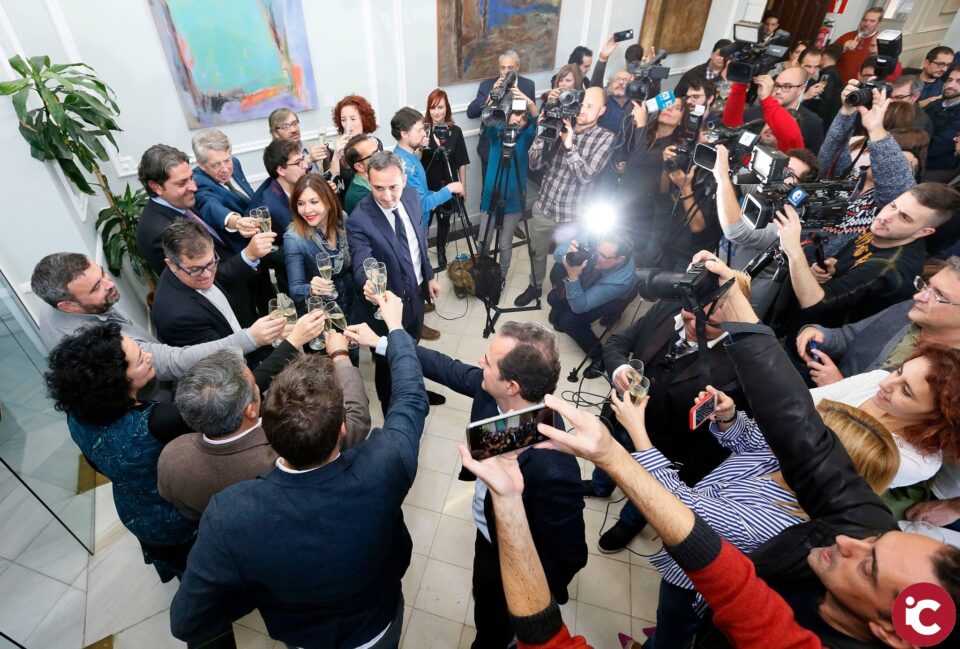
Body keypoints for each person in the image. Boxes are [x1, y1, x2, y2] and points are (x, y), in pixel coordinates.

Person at [557, 251, 960, 649]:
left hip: (689, 572)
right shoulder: (813, 487)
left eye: (870, 564)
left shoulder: (766, 521)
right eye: (874, 539)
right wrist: (731, 419)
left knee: (675, 620)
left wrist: (624, 444)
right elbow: (771, 433)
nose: (843, 540)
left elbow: (681, 509)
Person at [169, 292, 430, 649]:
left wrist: (262, 587)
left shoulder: (230, 514)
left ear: (268, 430)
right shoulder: (385, 464)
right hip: (379, 627)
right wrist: (396, 330)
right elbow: (411, 398)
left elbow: (187, 623)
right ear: (341, 429)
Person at [347, 319, 586, 649]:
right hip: (487, 527)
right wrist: (383, 342)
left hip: (509, 556)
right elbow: (448, 367)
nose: (479, 364)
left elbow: (570, 555)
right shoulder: (498, 393)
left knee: (492, 622)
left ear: (512, 386)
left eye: (487, 362)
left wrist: (533, 589)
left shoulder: (555, 466)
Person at [612, 387, 897, 649]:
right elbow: (750, 438)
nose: (785, 429)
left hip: (691, 584)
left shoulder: (774, 520)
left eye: (800, 432)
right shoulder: (785, 459)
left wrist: (637, 430)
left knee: (673, 624)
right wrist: (728, 417)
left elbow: (678, 503)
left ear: (822, 466)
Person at [44, 314, 321, 577]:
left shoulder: (78, 412)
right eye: (141, 359)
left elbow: (95, 462)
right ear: (117, 382)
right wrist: (292, 343)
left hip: (133, 507)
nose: (150, 356)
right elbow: (235, 395)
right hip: (175, 519)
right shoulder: (160, 421)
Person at [585, 276, 752, 552]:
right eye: (690, 315)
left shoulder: (740, 367)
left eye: (707, 324)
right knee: (608, 455)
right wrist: (617, 370)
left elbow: (718, 438)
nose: (692, 327)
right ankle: (600, 486)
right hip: (621, 419)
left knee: (646, 490)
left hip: (665, 448)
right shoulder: (666, 308)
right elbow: (617, 341)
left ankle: (630, 522)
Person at [158, 332, 370, 519]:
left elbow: (189, 512)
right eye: (257, 388)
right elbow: (355, 423)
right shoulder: (285, 450)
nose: (261, 389)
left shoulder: (171, 456)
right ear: (251, 410)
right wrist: (341, 357)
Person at [32, 252, 283, 398]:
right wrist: (250, 338)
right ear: (68, 306)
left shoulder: (63, 302)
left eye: (102, 274)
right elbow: (171, 361)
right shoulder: (91, 343)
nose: (109, 284)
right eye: (96, 287)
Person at [776, 182, 960, 331]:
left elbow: (815, 302)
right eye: (893, 205)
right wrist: (830, 268)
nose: (886, 217)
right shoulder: (885, 229)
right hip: (803, 324)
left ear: (924, 232)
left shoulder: (890, 266)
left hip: (819, 347)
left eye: (904, 217)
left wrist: (794, 249)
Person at [345, 151, 442, 411]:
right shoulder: (359, 220)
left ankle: (415, 389)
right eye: (378, 188)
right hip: (386, 309)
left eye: (393, 187)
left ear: (404, 180)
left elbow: (419, 241)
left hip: (417, 297)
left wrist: (429, 276)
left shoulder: (411, 196)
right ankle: (391, 407)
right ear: (368, 180)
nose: (387, 197)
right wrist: (368, 283)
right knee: (388, 360)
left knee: (412, 349)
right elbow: (362, 263)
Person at [807, 344, 960, 493]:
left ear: (935, 416)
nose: (884, 383)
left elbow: (824, 457)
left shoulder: (921, 462)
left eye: (905, 391)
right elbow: (801, 401)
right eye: (899, 372)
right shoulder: (877, 379)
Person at [515, 86, 614, 307]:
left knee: (566, 260)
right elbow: (534, 163)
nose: (583, 110)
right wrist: (543, 132)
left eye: (591, 106)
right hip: (545, 207)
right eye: (582, 104)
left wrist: (570, 146)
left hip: (573, 217)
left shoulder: (605, 138)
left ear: (602, 111)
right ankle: (535, 285)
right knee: (536, 254)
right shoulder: (558, 125)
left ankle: (562, 292)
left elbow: (585, 175)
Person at [796, 259, 960, 385]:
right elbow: (850, 336)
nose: (918, 296)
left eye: (939, 295)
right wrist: (821, 334)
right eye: (926, 286)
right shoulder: (911, 310)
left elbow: (901, 427)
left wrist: (841, 387)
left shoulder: (953, 374)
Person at [135, 144, 275, 279]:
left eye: (191, 178)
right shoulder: (157, 233)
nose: (193, 187)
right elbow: (205, 280)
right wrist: (248, 255)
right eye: (182, 183)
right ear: (155, 187)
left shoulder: (181, 200)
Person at [712, 144, 819, 318]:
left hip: (740, 305)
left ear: (801, 189)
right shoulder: (766, 190)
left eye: (789, 174)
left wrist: (722, 177)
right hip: (714, 281)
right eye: (780, 170)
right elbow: (738, 177)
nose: (780, 176)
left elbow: (736, 231)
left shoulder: (791, 221)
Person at [815, 83, 921, 256]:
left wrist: (877, 129)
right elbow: (830, 154)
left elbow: (897, 184)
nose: (896, 165)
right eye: (897, 158)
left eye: (905, 166)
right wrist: (847, 111)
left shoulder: (888, 208)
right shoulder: (852, 176)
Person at [152, 220, 272, 354]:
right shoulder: (178, 318)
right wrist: (254, 338)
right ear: (171, 264)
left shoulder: (184, 269)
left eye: (211, 263)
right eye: (196, 269)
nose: (208, 275)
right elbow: (222, 358)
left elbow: (222, 276)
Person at [547, 233, 636, 367]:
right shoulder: (596, 237)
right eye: (596, 250)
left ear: (619, 259)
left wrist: (573, 276)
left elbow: (580, 307)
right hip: (589, 278)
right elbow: (557, 254)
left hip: (612, 297)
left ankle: (599, 355)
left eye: (603, 256)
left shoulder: (620, 280)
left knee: (569, 321)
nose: (595, 256)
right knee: (553, 297)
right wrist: (569, 252)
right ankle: (560, 309)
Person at [613, 99, 686, 263]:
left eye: (677, 108)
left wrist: (641, 125)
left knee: (630, 259)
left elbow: (638, 162)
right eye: (668, 104)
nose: (669, 109)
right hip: (622, 203)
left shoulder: (673, 148)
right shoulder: (646, 134)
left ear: (682, 119)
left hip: (646, 215)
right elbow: (628, 158)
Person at [283, 174, 355, 321]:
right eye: (300, 203)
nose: (307, 210)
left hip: (352, 304)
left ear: (329, 201)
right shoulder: (294, 238)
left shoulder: (343, 219)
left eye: (314, 202)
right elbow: (295, 291)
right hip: (321, 317)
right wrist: (311, 288)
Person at [478, 108, 537, 281]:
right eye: (516, 114)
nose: (519, 120)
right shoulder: (497, 132)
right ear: (509, 114)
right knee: (483, 241)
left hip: (514, 201)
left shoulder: (526, 137)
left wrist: (531, 103)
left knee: (504, 244)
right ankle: (482, 271)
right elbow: (488, 122)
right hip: (490, 199)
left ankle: (501, 277)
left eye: (523, 118)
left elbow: (536, 122)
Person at [390, 106, 464, 232]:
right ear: (404, 134)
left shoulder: (410, 154)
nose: (424, 133)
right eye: (419, 130)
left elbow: (419, 193)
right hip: (416, 227)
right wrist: (450, 189)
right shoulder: (405, 166)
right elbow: (423, 204)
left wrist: (435, 195)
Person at [466, 50, 537, 181]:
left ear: (517, 68)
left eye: (510, 68)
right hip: (491, 147)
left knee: (512, 190)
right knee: (489, 190)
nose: (505, 72)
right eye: (502, 68)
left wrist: (525, 100)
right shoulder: (487, 85)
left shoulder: (528, 85)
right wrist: (489, 96)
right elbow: (471, 113)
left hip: (517, 147)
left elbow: (532, 120)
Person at [422, 88, 471, 269]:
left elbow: (462, 162)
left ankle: (441, 250)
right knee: (424, 222)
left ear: (446, 108)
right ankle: (421, 252)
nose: (437, 112)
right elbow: (415, 161)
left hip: (449, 185)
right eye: (433, 107)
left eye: (440, 107)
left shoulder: (455, 131)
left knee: (444, 222)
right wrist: (421, 147)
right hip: (427, 187)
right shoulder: (422, 131)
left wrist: (463, 186)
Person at [191, 129, 258, 252]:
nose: (225, 169)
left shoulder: (235, 162)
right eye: (215, 165)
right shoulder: (197, 182)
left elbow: (247, 196)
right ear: (201, 165)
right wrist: (237, 222)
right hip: (241, 250)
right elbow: (210, 207)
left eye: (227, 160)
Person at [722, 72, 804, 153]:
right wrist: (740, 82)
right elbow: (731, 123)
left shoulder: (792, 156)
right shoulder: (747, 151)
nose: (771, 128)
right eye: (771, 123)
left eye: (778, 126)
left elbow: (791, 135)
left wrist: (766, 98)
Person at [249, 138, 308, 236]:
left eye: (303, 159)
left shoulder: (299, 182)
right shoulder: (269, 207)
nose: (305, 165)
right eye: (298, 162)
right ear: (281, 170)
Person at [327, 94, 379, 186]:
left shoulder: (374, 143)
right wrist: (336, 156)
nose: (348, 125)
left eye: (353, 119)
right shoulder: (335, 149)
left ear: (364, 120)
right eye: (343, 120)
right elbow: (334, 188)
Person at [923, 64, 960, 179]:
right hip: (913, 155)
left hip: (936, 166)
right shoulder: (937, 103)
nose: (951, 85)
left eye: (959, 82)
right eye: (949, 80)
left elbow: (940, 144)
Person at [266, 106, 328, 173]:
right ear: (275, 133)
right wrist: (307, 162)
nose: (294, 130)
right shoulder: (274, 158)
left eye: (294, 123)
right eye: (285, 127)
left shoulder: (310, 146)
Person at [834, 7, 885, 85]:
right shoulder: (847, 36)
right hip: (837, 83)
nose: (867, 23)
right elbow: (827, 57)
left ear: (879, 23)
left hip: (860, 87)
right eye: (865, 20)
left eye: (872, 21)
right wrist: (843, 47)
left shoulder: (880, 42)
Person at [341, 133, 382, 214]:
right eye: (374, 154)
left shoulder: (376, 179)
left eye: (378, 150)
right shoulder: (360, 198)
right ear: (360, 166)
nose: (381, 155)